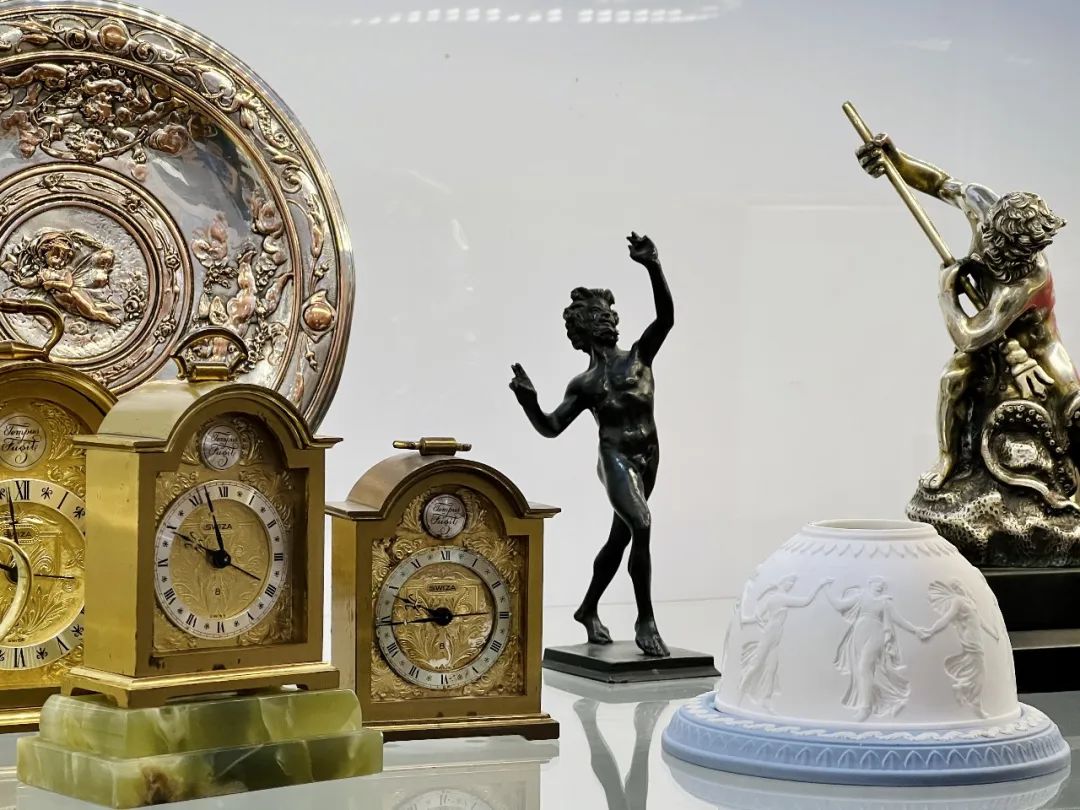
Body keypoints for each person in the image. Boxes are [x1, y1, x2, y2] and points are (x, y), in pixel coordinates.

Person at [856, 136, 1073, 492]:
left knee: (1070, 401)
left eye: (1017, 253)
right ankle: (948, 458)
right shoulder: (981, 203)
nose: (1000, 254)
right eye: (997, 242)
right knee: (952, 381)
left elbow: (970, 335)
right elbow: (940, 183)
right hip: (988, 335)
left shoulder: (1026, 281)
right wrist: (895, 161)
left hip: (1036, 349)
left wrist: (947, 293)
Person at [510, 233, 673, 657]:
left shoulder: (640, 356)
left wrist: (653, 264)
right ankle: (646, 619)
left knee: (620, 538)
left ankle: (587, 608)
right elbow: (551, 427)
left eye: (610, 314)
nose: (608, 320)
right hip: (615, 458)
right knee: (641, 524)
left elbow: (666, 318)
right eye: (598, 316)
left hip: (649, 457)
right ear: (582, 329)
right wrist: (530, 402)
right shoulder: (584, 384)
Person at [827, 577, 921, 721]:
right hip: (859, 632)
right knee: (865, 670)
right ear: (870, 584)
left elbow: (899, 620)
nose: (880, 586)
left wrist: (916, 630)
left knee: (864, 666)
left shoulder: (885, 603)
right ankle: (890, 699)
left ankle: (865, 708)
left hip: (876, 633)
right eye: (877, 583)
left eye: (882, 585)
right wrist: (825, 588)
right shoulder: (860, 597)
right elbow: (839, 606)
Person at [738, 575, 831, 710]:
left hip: (776, 633)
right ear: (783, 583)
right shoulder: (780, 598)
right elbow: (805, 601)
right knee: (757, 663)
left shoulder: (773, 598)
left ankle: (765, 698)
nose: (791, 586)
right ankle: (741, 690)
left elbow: (758, 616)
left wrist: (747, 620)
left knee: (771, 667)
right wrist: (819, 586)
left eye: (792, 584)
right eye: (790, 583)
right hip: (771, 632)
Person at [919, 579, 1001, 718]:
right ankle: (974, 701)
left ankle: (962, 686)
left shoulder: (969, 601)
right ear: (954, 590)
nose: (960, 588)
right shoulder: (958, 601)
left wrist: (993, 633)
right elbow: (947, 618)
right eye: (956, 587)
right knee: (979, 670)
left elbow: (980, 621)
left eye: (959, 585)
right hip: (970, 639)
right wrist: (932, 631)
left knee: (975, 668)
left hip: (976, 638)